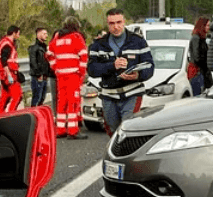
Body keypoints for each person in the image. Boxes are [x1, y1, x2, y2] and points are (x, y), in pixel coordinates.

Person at [88, 8, 154, 136]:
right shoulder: (98, 44)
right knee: (113, 132)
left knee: (128, 128)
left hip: (132, 93)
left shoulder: (138, 41)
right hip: (109, 94)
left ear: (124, 22)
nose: (116, 27)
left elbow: (150, 66)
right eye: (112, 23)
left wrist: (138, 75)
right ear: (107, 24)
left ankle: (129, 155)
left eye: (119, 22)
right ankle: (115, 154)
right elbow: (91, 70)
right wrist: (112, 65)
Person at [47, 17, 89, 138]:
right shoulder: (76, 37)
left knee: (62, 102)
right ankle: (73, 131)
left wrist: (55, 67)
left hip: (61, 75)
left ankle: (60, 130)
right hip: (73, 75)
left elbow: (49, 54)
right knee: (73, 102)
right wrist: (81, 71)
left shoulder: (57, 38)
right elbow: (83, 55)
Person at [0, 25, 23, 113]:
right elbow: (4, 60)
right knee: (18, 95)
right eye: (18, 33)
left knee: (5, 96)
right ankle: (11, 114)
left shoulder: (4, 42)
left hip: (4, 75)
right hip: (8, 74)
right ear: (14, 33)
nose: (19, 35)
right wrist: (9, 75)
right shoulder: (7, 45)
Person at [187, 16, 212, 95]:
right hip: (197, 71)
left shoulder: (201, 38)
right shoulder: (196, 38)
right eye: (207, 25)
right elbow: (196, 56)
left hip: (200, 70)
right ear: (202, 26)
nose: (208, 28)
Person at [28, 27, 51, 107]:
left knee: (42, 98)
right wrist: (38, 74)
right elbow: (33, 62)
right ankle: (33, 115)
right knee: (36, 98)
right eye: (44, 34)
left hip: (44, 76)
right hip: (38, 77)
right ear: (38, 34)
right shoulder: (34, 48)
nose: (46, 36)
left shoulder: (44, 48)